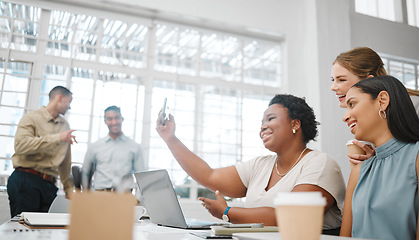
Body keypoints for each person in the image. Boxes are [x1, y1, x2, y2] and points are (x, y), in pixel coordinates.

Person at [156, 94, 346, 234]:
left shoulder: (320, 164)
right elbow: (209, 176)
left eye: (271, 119)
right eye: (262, 122)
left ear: (295, 124)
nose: (263, 126)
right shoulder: (260, 165)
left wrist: (228, 212)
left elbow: (287, 215)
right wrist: (170, 138)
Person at [340, 75, 419, 239]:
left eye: (352, 104)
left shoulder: (416, 158)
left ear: (382, 101)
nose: (345, 116)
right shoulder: (358, 172)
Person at [331, 46, 419, 165]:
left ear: (368, 81)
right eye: (333, 80)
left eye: (341, 80)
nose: (333, 87)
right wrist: (377, 159)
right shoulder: (362, 118)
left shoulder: (414, 105)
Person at [7, 86, 76, 217]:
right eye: (69, 101)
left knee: (44, 233)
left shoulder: (65, 126)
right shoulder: (31, 118)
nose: (69, 107)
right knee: (23, 232)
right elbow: (21, 146)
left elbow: (65, 161)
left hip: (49, 186)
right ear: (60, 98)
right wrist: (57, 138)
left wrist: (68, 189)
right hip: (25, 180)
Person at [82, 106, 146, 193]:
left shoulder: (135, 147)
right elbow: (85, 172)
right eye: (110, 119)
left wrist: (138, 199)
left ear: (122, 119)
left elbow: (142, 176)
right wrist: (86, 195)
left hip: (125, 196)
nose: (114, 122)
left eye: (117, 118)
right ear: (105, 121)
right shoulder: (94, 146)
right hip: (99, 195)